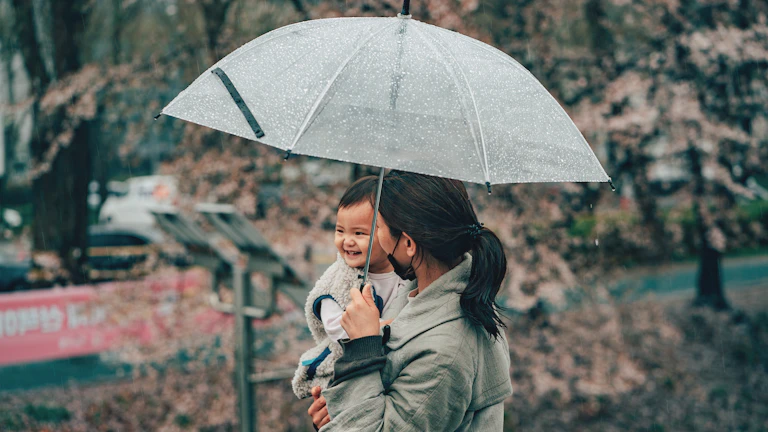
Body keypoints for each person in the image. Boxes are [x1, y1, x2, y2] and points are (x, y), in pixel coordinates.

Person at [308, 171, 513, 431]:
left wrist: (362, 347)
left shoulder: (445, 350)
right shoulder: (422, 295)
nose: (377, 239)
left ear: (407, 243)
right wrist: (335, 413)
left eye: (378, 228)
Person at [292, 176, 406, 399]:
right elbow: (336, 329)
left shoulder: (405, 272)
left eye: (359, 233)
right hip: (350, 365)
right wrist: (383, 326)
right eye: (340, 231)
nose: (347, 241)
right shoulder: (338, 281)